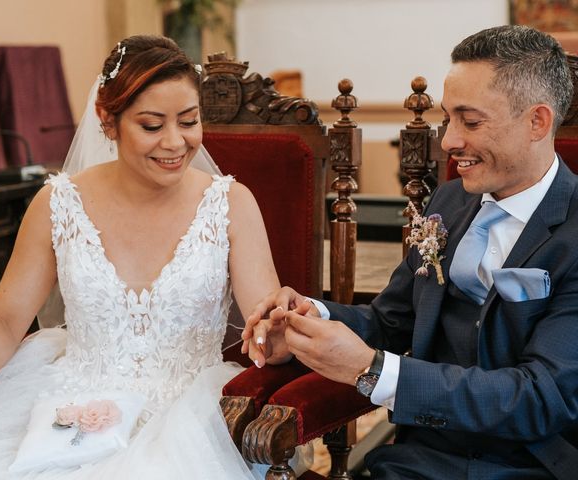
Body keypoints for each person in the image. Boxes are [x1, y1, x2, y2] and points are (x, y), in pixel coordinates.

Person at [0, 35, 296, 479]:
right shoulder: (58, 203)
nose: (175, 142)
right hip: (69, 398)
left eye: (188, 121)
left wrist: (277, 333)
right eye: (151, 125)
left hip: (187, 417)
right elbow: (5, 320)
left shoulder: (231, 204)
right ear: (107, 120)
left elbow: (267, 329)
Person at [244, 25, 578, 480]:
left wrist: (371, 370)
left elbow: (541, 397)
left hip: (532, 466)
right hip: (416, 461)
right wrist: (309, 319)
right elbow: (390, 322)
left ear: (537, 122)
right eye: (448, 118)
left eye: (471, 121)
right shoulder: (448, 202)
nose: (448, 142)